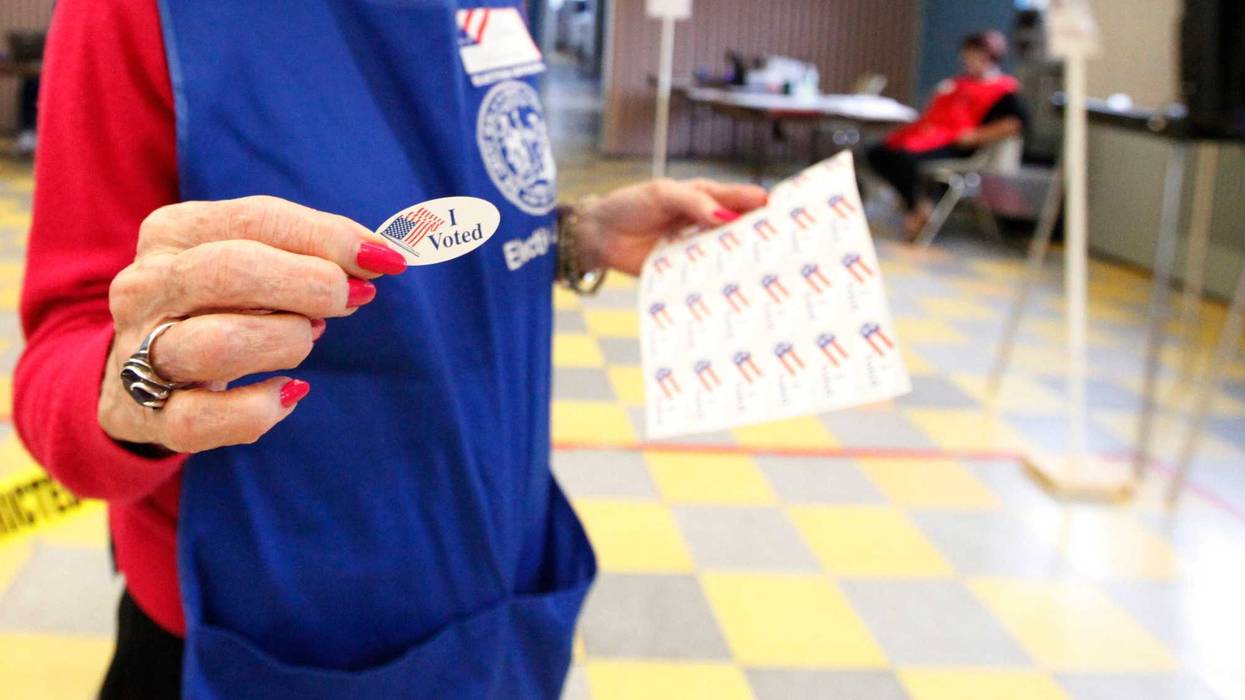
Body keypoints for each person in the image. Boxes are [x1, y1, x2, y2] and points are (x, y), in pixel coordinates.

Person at [12, 1, 766, 698]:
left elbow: (445, 212)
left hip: (503, 588)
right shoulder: (138, 15)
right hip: (258, 637)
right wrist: (137, 380)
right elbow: (59, 367)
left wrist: (568, 234)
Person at [866, 30, 1027, 240]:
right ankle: (918, 206)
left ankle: (919, 209)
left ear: (987, 57)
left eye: (972, 55)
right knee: (877, 151)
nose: (966, 60)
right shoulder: (957, 84)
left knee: (903, 159)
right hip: (930, 137)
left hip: (960, 145)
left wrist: (976, 136)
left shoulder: (1004, 90)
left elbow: (1015, 123)